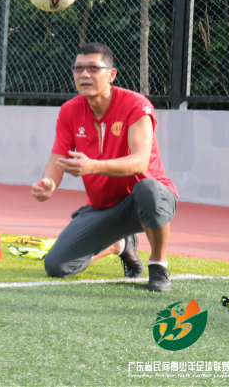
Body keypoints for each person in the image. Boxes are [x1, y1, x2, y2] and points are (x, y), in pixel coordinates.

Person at [32, 42, 177, 292]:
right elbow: (57, 159)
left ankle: (158, 264)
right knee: (56, 266)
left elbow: (140, 162)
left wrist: (93, 167)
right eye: (78, 69)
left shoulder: (135, 105)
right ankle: (119, 246)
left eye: (93, 68)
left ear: (111, 74)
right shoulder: (69, 111)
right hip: (104, 207)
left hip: (144, 199)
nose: (84, 75)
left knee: (148, 189)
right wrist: (49, 182)